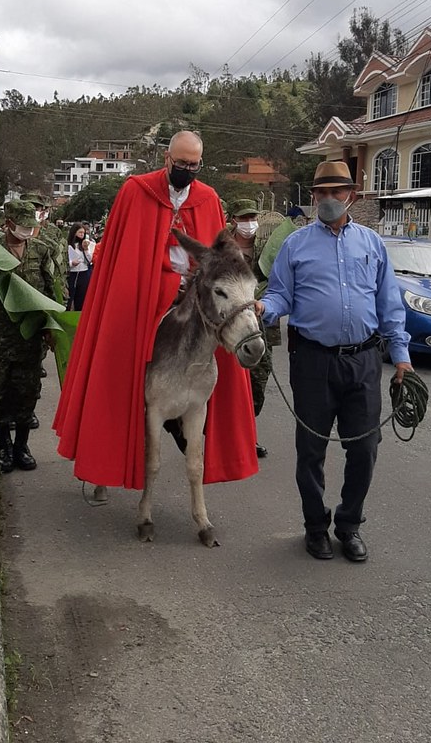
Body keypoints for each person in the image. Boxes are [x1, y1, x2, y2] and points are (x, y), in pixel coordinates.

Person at [52, 130, 258, 490]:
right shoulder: (136, 191)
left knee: (218, 347)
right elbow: (120, 254)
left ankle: (198, 438)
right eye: (182, 163)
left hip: (192, 295)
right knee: (118, 364)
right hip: (142, 293)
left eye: (194, 165)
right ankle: (105, 463)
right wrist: (160, 281)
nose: (187, 170)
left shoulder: (208, 198)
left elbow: (219, 258)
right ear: (167, 159)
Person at [257, 161, 412, 564]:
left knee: (365, 449)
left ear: (351, 196)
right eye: (321, 192)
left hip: (363, 361)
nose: (328, 199)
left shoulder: (372, 244)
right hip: (312, 360)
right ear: (313, 197)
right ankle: (315, 527)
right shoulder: (295, 245)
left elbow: (389, 304)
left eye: (335, 192)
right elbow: (280, 295)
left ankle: (349, 524)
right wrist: (263, 308)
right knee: (311, 450)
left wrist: (401, 358)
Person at [0, 200, 56, 473]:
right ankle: (4, 447)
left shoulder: (41, 250)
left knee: (27, 394)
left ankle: (21, 447)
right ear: (8, 224)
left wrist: (51, 327)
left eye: (31, 226)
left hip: (29, 337)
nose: (27, 231)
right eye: (23, 226)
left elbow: (51, 290)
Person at [228, 199, 297, 460]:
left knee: (257, 381)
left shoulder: (268, 247)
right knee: (225, 383)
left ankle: (247, 434)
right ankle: (219, 435)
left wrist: (265, 300)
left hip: (261, 325)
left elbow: (280, 282)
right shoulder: (222, 245)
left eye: (252, 218)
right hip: (229, 327)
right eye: (244, 218)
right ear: (233, 220)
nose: (249, 223)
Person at [66, 223, 94, 311]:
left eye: (83, 233)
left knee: (81, 297)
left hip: (83, 273)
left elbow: (90, 260)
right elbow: (64, 260)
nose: (82, 235)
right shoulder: (69, 245)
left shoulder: (86, 244)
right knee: (69, 297)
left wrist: (86, 249)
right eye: (80, 232)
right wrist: (71, 263)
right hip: (72, 273)